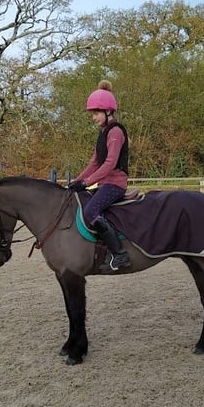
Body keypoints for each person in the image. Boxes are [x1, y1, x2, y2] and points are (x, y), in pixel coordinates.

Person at [67, 80, 132, 271]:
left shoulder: (115, 132)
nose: (93, 117)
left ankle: (120, 255)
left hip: (115, 184)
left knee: (90, 212)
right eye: (92, 114)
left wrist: (87, 182)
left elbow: (110, 163)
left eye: (95, 113)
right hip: (104, 184)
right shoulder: (103, 133)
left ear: (108, 112)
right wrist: (76, 182)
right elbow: (94, 163)